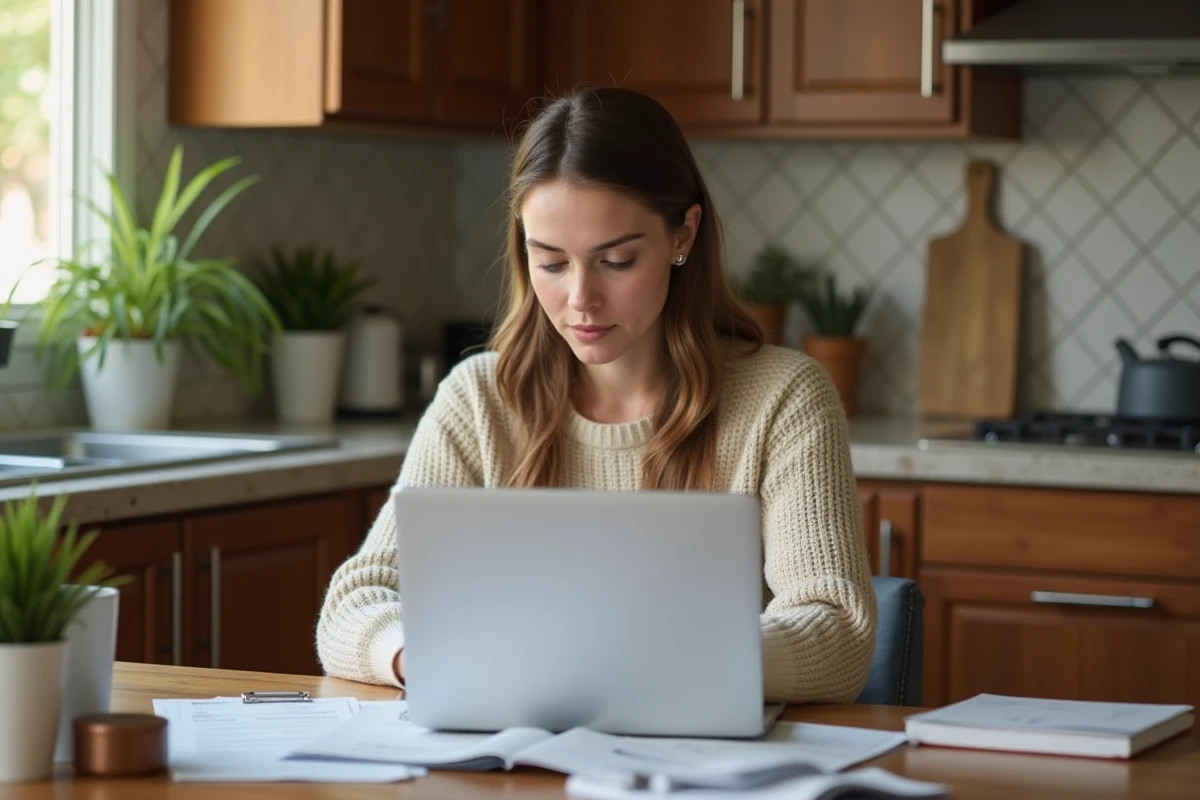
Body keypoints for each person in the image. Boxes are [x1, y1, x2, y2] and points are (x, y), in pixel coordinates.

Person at [315, 86, 877, 705]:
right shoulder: (477, 399)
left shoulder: (784, 398)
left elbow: (839, 636)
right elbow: (354, 604)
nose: (581, 299)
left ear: (684, 234)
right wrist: (420, 655)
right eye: (551, 263)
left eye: (617, 261)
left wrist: (620, 661)